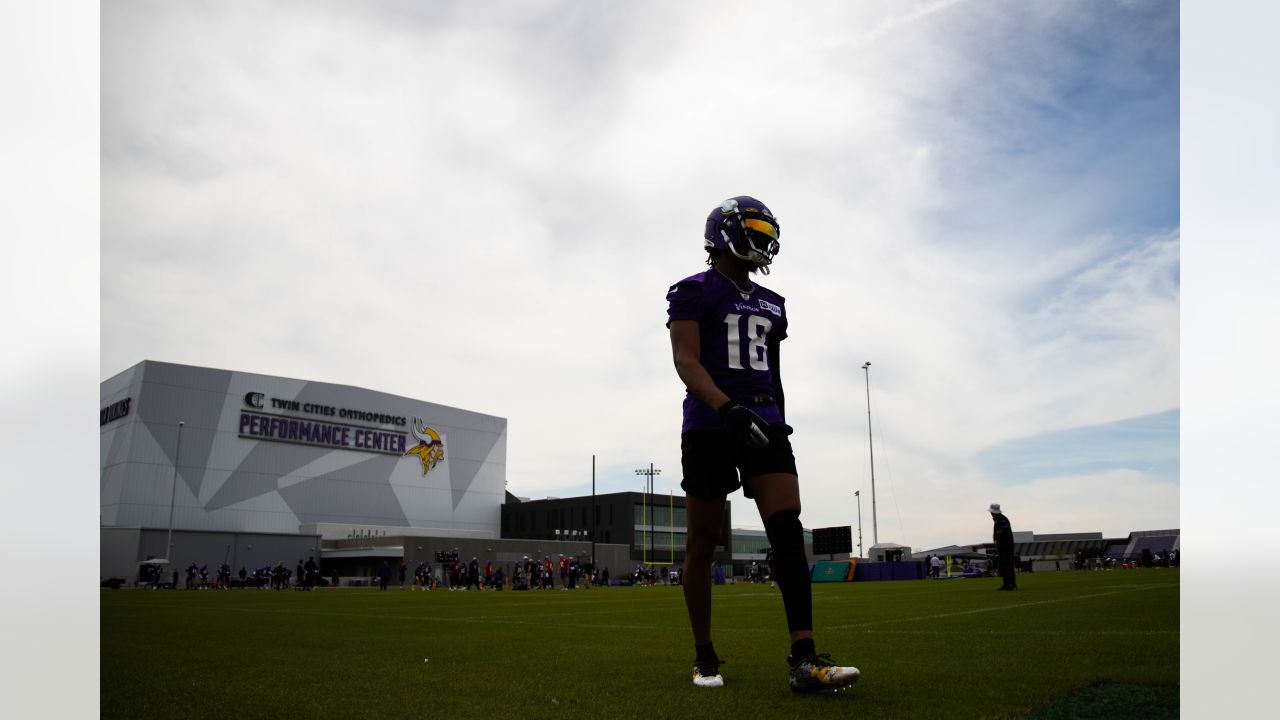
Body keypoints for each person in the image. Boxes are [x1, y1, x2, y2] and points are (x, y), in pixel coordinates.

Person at [667, 195, 859, 692]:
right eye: (752, 226)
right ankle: (705, 655)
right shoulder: (692, 291)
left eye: (765, 228)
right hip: (710, 423)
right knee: (702, 542)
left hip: (764, 420)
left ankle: (805, 659)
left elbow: (773, 373)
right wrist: (725, 408)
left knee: (787, 529)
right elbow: (687, 361)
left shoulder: (774, 304)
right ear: (725, 232)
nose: (763, 237)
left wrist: (780, 421)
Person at [990, 503, 1017, 590]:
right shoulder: (998, 520)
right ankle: (1007, 584)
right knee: (1004, 565)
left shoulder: (1002, 519)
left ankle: (1010, 584)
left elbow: (1005, 532)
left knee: (1007, 565)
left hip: (1006, 546)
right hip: (1002, 546)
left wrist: (998, 540)